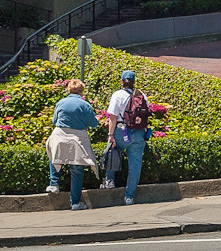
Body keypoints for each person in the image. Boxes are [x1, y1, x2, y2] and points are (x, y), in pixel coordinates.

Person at [45, 79, 101, 211]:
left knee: (54, 158)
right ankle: (75, 203)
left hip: (59, 135)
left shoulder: (61, 102)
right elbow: (93, 124)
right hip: (77, 138)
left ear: (68, 90)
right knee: (77, 170)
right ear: (81, 91)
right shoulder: (85, 105)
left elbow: (54, 120)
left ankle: (54, 184)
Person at [103, 70, 149, 205]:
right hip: (139, 133)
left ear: (122, 81)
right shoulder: (142, 96)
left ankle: (109, 181)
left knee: (112, 150)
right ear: (134, 82)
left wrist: (111, 135)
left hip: (121, 131)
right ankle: (129, 197)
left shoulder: (117, 95)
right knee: (135, 165)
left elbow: (113, 116)